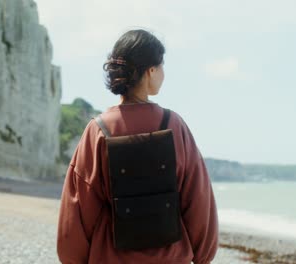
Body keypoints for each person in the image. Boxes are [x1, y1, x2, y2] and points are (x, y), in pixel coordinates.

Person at [57, 29, 218, 264]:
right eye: (161, 66)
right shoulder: (174, 125)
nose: (163, 73)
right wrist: (203, 255)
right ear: (150, 71)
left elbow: (80, 204)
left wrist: (75, 259)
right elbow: (197, 197)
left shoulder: (98, 129)